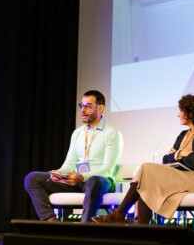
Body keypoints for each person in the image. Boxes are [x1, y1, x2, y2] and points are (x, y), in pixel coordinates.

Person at [93, 94, 194, 225]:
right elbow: (166, 159)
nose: (178, 115)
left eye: (181, 111)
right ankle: (138, 229)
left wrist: (176, 155)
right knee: (145, 185)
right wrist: (181, 154)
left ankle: (119, 215)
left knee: (146, 168)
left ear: (191, 113)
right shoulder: (183, 135)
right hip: (179, 176)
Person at [23, 90, 123, 222]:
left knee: (94, 180)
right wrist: (60, 173)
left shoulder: (112, 132)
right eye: (82, 106)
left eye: (88, 106)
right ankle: (50, 221)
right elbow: (70, 163)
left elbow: (107, 169)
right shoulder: (78, 133)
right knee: (32, 178)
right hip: (77, 180)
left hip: (102, 181)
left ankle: (84, 226)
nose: (83, 110)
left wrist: (82, 176)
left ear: (100, 108)